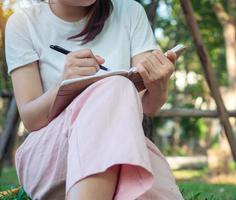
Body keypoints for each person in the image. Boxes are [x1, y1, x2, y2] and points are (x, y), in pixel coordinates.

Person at [5, 0, 184, 199]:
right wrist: (63, 84)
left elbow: (145, 106)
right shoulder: (24, 22)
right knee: (115, 86)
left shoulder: (130, 12)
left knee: (159, 190)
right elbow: (31, 119)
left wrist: (159, 84)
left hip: (120, 144)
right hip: (50, 157)